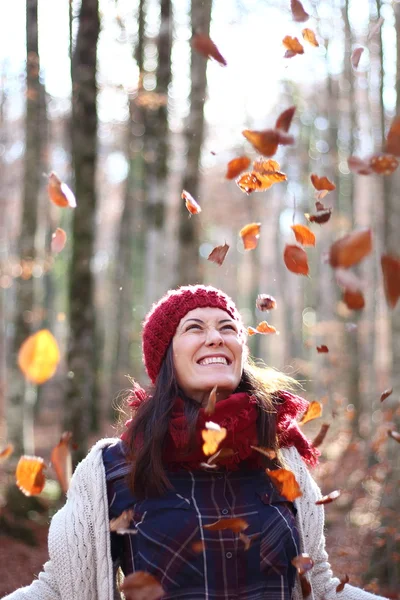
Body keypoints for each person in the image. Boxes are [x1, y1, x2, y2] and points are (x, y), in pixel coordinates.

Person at [3, 285, 388, 600]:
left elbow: (319, 582)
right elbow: (59, 587)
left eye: (227, 328)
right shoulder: (116, 466)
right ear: (166, 356)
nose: (216, 338)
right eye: (194, 328)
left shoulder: (280, 457)